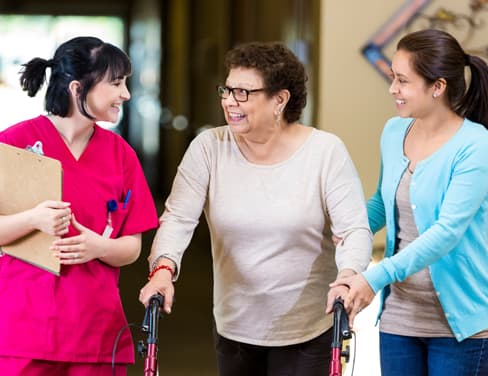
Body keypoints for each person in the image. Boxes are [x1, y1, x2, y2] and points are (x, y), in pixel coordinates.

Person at [139, 41, 372, 376]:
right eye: (227, 89)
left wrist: (348, 275)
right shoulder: (210, 148)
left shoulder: (325, 152)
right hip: (235, 326)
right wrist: (162, 269)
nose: (230, 100)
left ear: (280, 99)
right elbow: (178, 218)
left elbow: (353, 229)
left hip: (307, 329)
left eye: (244, 92)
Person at [332, 29, 488, 375]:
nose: (393, 89)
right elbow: (381, 202)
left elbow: (446, 232)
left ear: (438, 87)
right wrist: (348, 228)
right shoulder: (393, 131)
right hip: (400, 318)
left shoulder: (475, 146)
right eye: (393, 78)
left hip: (462, 326)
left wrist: (375, 276)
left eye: (403, 80)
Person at [0, 36, 158, 375]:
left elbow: (131, 247)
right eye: (116, 83)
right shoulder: (13, 144)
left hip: (95, 332)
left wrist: (99, 247)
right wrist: (32, 219)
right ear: (77, 88)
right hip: (23, 331)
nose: (125, 94)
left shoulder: (121, 156)